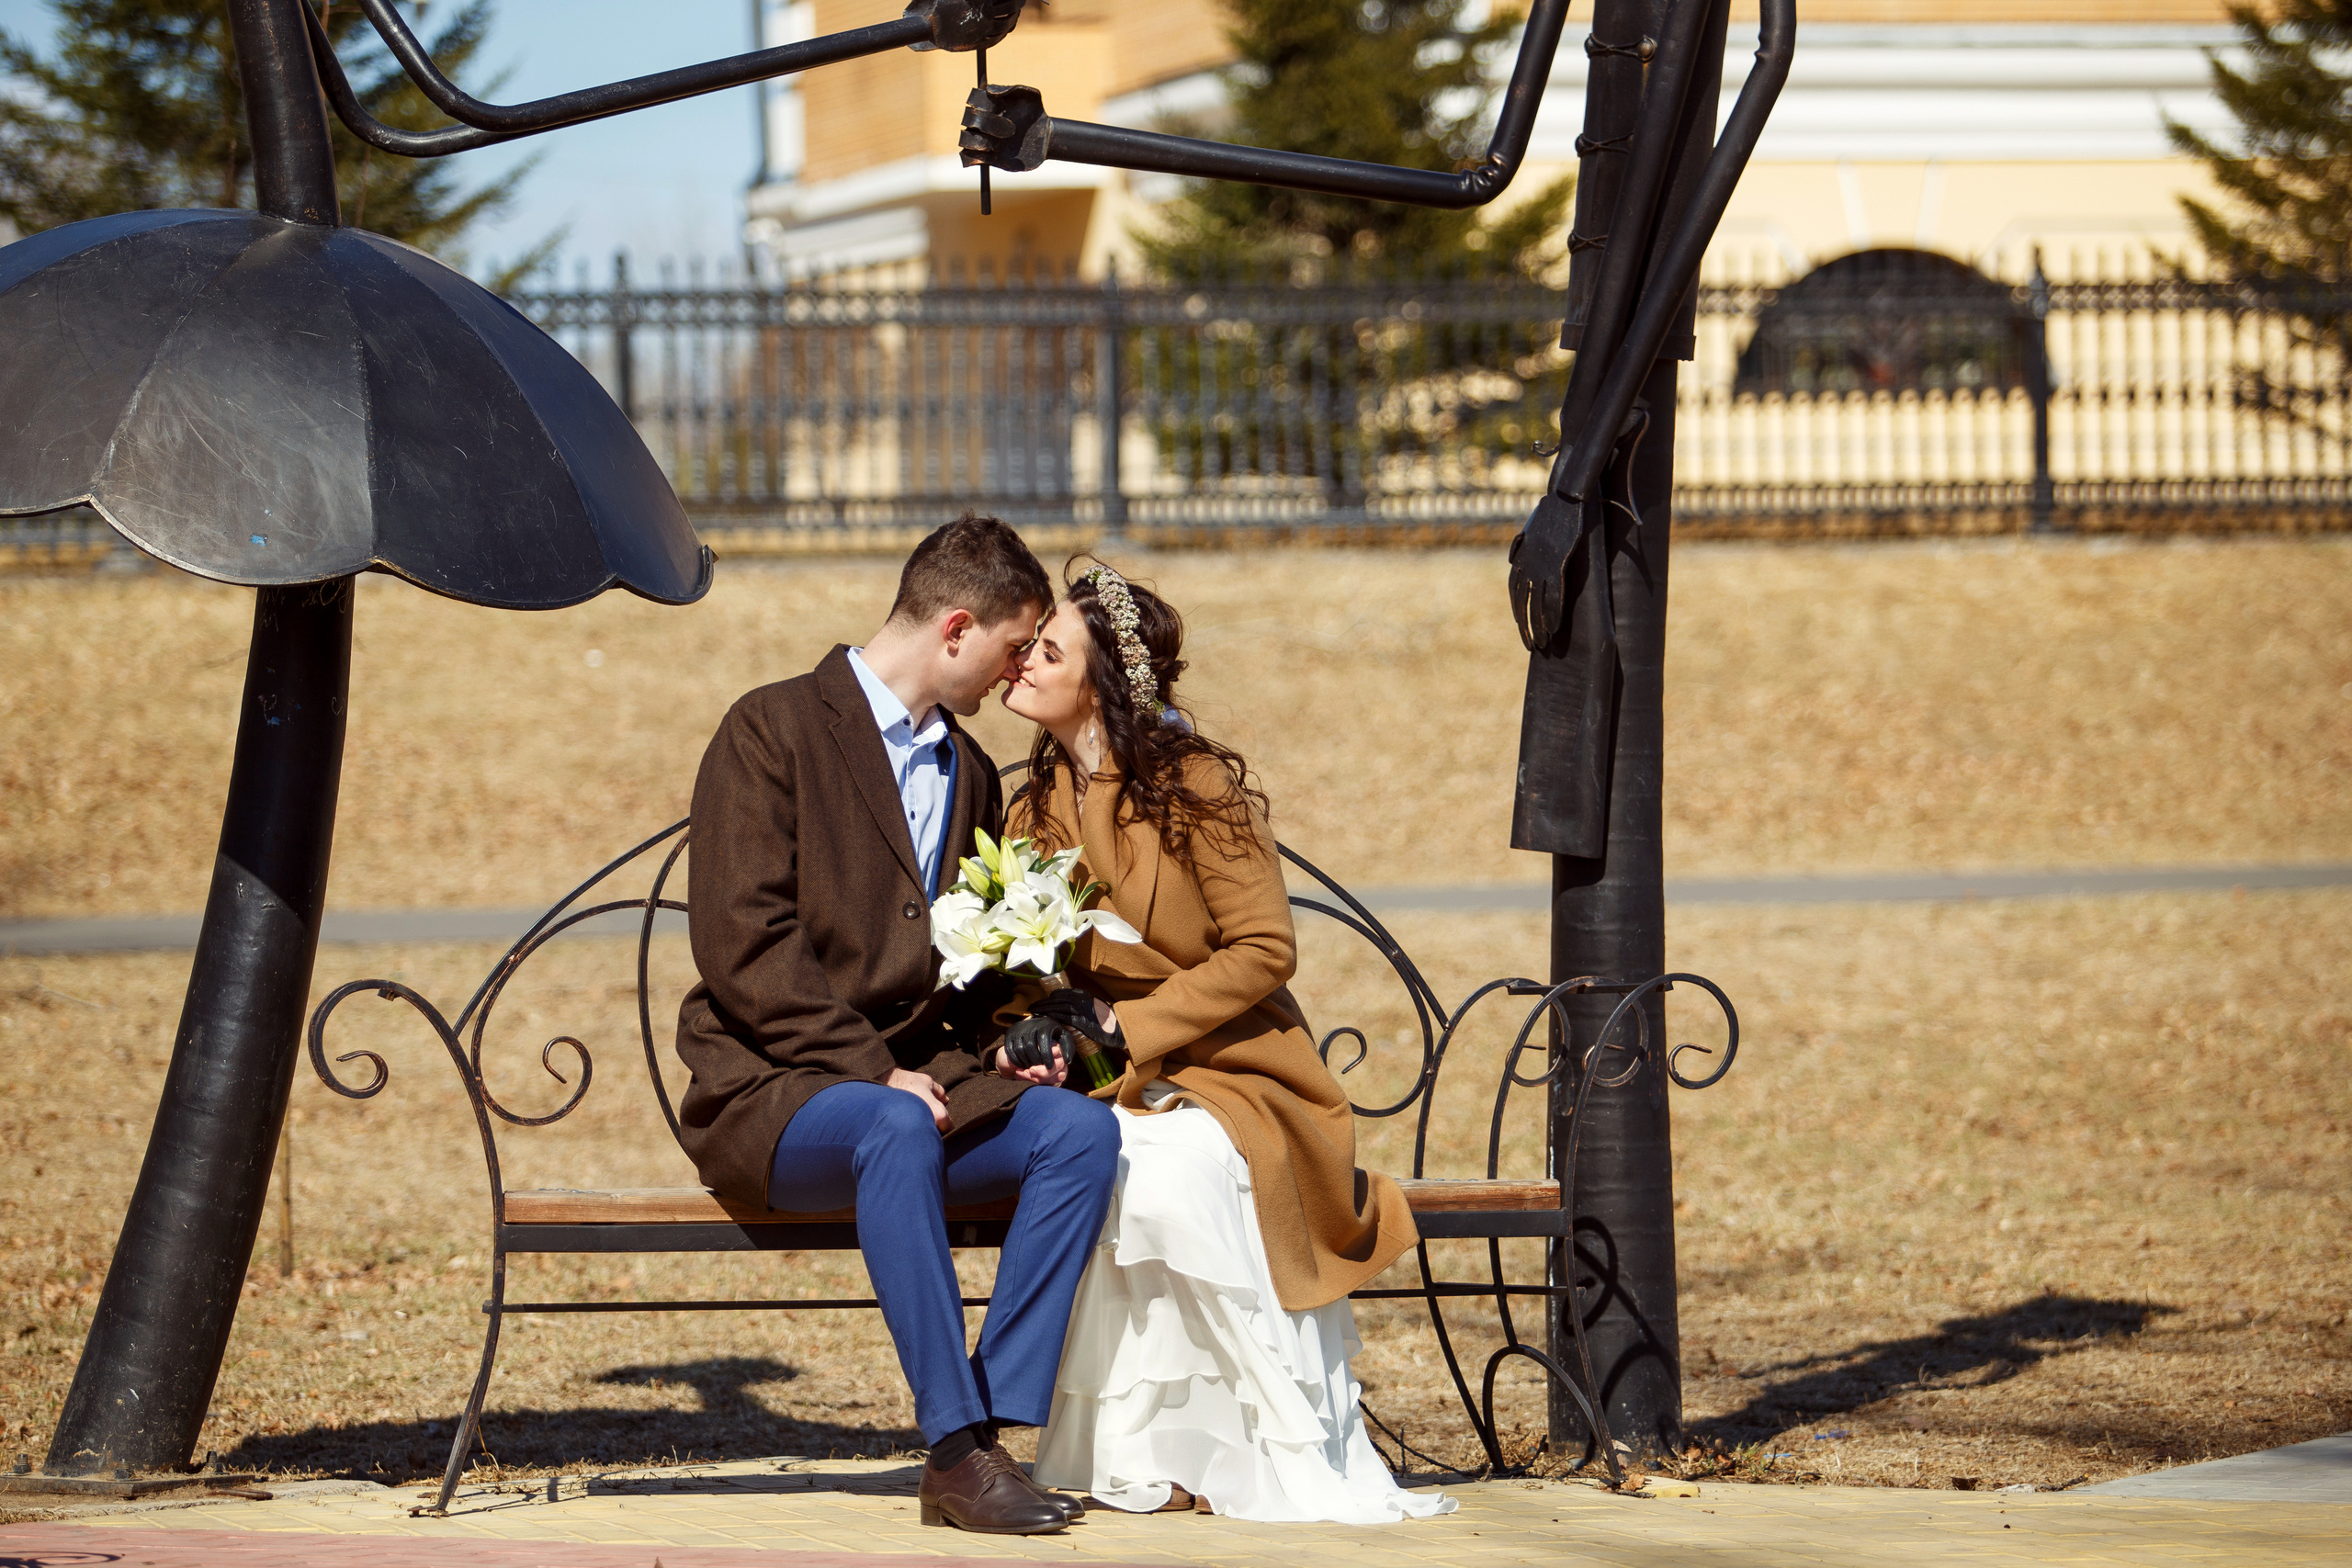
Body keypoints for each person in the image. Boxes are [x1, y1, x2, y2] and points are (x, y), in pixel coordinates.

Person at [673, 513, 1119, 1536]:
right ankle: (954, 1453)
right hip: (771, 1093)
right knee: (893, 1126)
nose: (1015, 678)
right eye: (1013, 649)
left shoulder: (968, 771)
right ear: (956, 630)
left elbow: (949, 971)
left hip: (911, 1093)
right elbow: (742, 943)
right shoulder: (771, 728)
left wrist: (1017, 1040)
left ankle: (995, 1429)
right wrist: (867, 1071)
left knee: (1079, 1135)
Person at [999, 559, 1454, 1524]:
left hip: (1241, 1070)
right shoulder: (1031, 808)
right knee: (1106, 1160)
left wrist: (1135, 1024)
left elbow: (1264, 950)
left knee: (1170, 1174)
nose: (1021, 663)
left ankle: (1247, 1444)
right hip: (1115, 1083)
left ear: (1102, 682)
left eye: (1047, 651)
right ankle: (1140, 1454)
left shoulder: (1193, 784)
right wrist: (1044, 1025)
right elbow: (1031, 966)